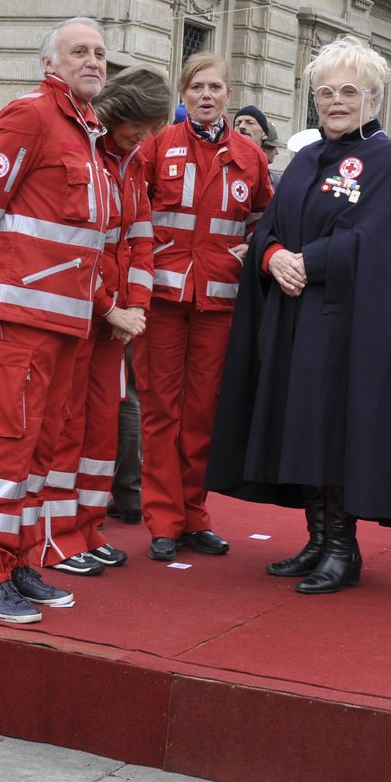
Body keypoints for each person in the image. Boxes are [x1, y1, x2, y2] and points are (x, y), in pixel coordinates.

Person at [206, 36, 391, 595]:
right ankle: (318, 537)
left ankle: (342, 548)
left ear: (373, 98)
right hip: (295, 318)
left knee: (334, 429)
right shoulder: (303, 160)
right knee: (300, 427)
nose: (336, 101)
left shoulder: (390, 160)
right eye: (326, 91)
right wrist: (274, 257)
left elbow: (383, 238)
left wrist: (310, 260)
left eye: (349, 91)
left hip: (349, 324)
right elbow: (269, 225)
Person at [0, 16, 112, 624]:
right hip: (22, 316)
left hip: (64, 322)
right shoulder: (31, 115)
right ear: (50, 64)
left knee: (43, 449)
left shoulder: (86, 129)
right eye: (78, 52)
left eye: (99, 53)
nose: (93, 61)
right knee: (10, 446)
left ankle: (19, 561)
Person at [134, 52, 274, 562]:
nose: (207, 96)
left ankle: (195, 517)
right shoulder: (157, 146)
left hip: (219, 300)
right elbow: (132, 215)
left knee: (202, 415)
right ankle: (163, 521)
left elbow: (264, 220)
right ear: (184, 94)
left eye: (215, 87)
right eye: (197, 88)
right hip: (163, 299)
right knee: (159, 411)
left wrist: (253, 248)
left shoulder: (250, 156)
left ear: (228, 96)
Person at [39, 66, 168, 575]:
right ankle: (56, 535)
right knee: (67, 425)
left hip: (113, 316)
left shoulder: (130, 162)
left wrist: (135, 306)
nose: (147, 136)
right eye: (142, 124)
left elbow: (139, 237)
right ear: (121, 114)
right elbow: (77, 244)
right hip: (81, 313)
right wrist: (110, 307)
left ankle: (87, 528)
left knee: (101, 430)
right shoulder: (87, 151)